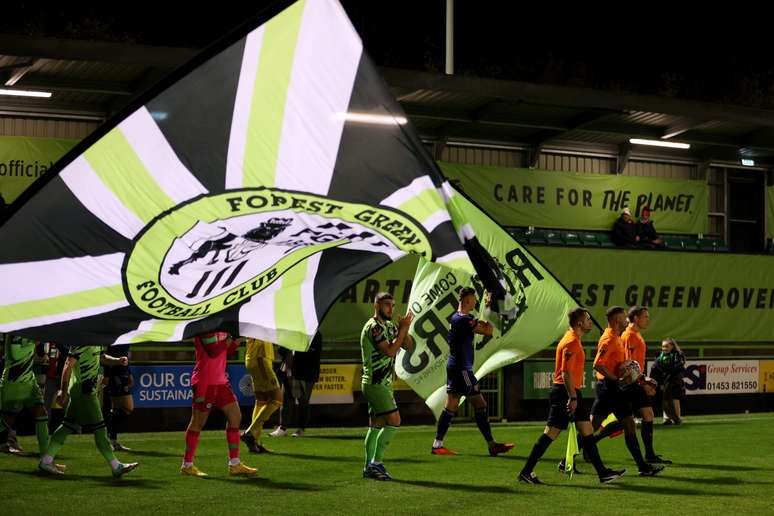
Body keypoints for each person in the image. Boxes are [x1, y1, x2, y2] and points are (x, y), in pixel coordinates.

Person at [519, 308, 625, 484]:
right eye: (588, 319)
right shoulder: (571, 342)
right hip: (564, 392)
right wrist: (572, 397)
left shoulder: (573, 340)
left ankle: (603, 473)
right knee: (550, 434)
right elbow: (566, 373)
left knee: (587, 432)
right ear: (579, 323)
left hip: (570, 391)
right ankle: (526, 471)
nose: (590, 322)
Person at [431, 287, 513, 457]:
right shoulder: (463, 319)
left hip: (456, 367)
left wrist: (488, 309)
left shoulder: (457, 317)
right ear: (467, 300)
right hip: (462, 369)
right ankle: (492, 445)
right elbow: (488, 330)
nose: (476, 302)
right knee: (480, 404)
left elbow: (482, 327)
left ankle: (437, 444)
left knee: (451, 405)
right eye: (474, 299)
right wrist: (490, 308)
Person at [38, 345, 138, 477]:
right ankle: (116, 466)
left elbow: (101, 357)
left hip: (85, 390)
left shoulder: (95, 341)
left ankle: (46, 461)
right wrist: (63, 390)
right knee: (100, 429)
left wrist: (117, 360)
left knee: (67, 426)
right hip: (84, 391)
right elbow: (68, 365)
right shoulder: (82, 342)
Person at [590, 306, 664, 476]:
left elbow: (625, 365)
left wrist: (637, 375)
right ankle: (568, 459)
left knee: (627, 424)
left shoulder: (616, 337)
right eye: (624, 317)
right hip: (607, 388)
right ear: (617, 320)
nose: (627, 320)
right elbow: (597, 364)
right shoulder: (609, 339)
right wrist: (615, 379)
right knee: (591, 427)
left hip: (615, 387)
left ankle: (643, 466)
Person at [181, 331, 256, 477]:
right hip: (204, 382)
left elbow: (227, 350)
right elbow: (214, 351)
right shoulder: (205, 329)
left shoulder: (222, 329)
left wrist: (237, 340)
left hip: (221, 382)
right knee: (197, 422)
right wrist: (228, 340)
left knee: (235, 417)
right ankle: (187, 464)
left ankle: (235, 463)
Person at [361, 292, 414, 481]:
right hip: (376, 383)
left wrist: (403, 329)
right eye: (386, 305)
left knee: (376, 424)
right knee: (395, 420)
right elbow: (391, 351)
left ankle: (369, 467)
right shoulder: (373, 328)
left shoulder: (389, 326)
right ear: (376, 306)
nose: (391, 308)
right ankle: (377, 463)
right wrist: (402, 330)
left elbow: (409, 346)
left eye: (392, 305)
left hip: (381, 383)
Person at [621, 306, 671, 463]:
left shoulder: (635, 335)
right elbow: (628, 364)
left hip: (635, 381)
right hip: (629, 383)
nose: (647, 319)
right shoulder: (629, 335)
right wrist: (643, 383)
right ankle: (588, 443)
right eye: (645, 317)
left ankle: (649, 454)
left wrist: (643, 380)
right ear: (636, 318)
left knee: (646, 415)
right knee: (622, 421)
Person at [0, 335, 50, 457]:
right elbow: (16, 354)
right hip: (15, 381)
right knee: (8, 418)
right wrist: (33, 342)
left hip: (29, 380)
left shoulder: (29, 331)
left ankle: (46, 459)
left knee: (42, 413)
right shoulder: (16, 330)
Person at [270, 332, 322, 437]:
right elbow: (282, 351)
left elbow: (313, 353)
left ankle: (301, 429)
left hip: (306, 372)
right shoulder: (291, 331)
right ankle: (282, 428)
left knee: (303, 400)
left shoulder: (315, 334)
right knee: (286, 399)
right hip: (289, 371)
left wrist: (297, 349)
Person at [240, 337, 282, 453]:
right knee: (277, 399)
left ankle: (254, 442)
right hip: (261, 360)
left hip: (253, 359)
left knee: (261, 401)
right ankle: (250, 433)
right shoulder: (262, 320)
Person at [103, 343, 134, 452]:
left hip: (123, 373)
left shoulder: (126, 338)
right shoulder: (115, 338)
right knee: (128, 408)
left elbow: (125, 356)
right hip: (115, 375)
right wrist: (107, 375)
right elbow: (106, 356)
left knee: (117, 409)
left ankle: (113, 441)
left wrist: (129, 372)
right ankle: (109, 438)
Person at [650, 338, 685, 425]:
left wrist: (666, 371)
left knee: (675, 398)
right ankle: (666, 418)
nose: (664, 348)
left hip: (674, 381)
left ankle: (676, 418)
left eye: (666, 346)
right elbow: (654, 369)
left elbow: (678, 368)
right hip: (663, 381)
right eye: (663, 346)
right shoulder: (659, 356)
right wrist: (657, 381)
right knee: (664, 399)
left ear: (672, 346)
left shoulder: (678, 355)